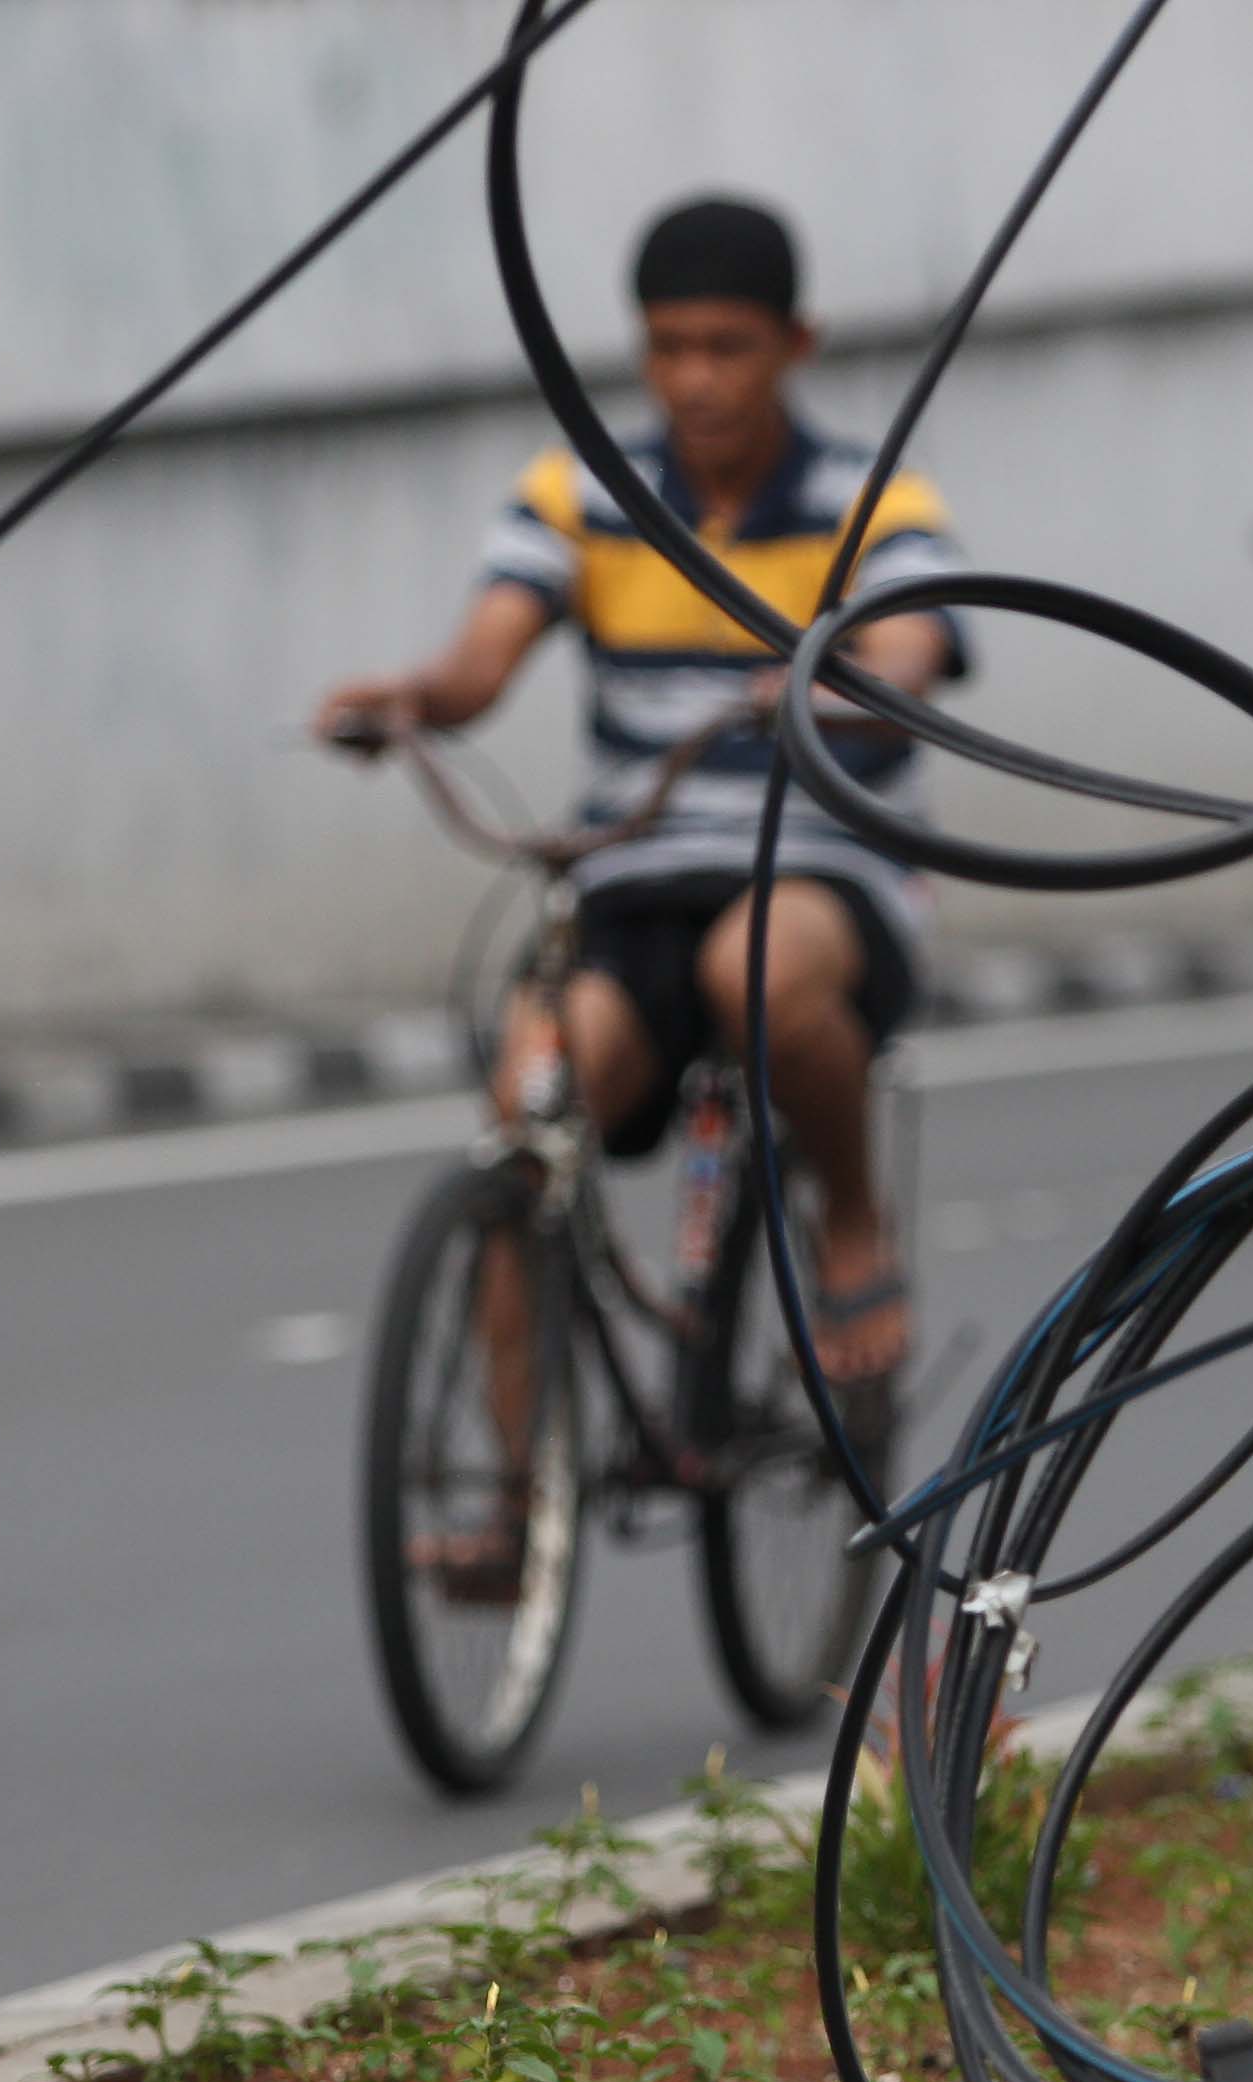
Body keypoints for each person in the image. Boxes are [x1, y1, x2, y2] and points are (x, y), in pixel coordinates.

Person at [318, 196, 957, 1423]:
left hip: (816, 872)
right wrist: (413, 701)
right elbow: (482, 659)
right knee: (529, 1113)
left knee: (756, 972)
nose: (696, 379)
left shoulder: (873, 501)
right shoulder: (579, 495)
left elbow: (915, 649)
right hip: (637, 877)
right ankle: (513, 1511)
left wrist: (847, 680)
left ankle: (855, 1224)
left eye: (728, 347)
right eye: (669, 347)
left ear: (796, 345)